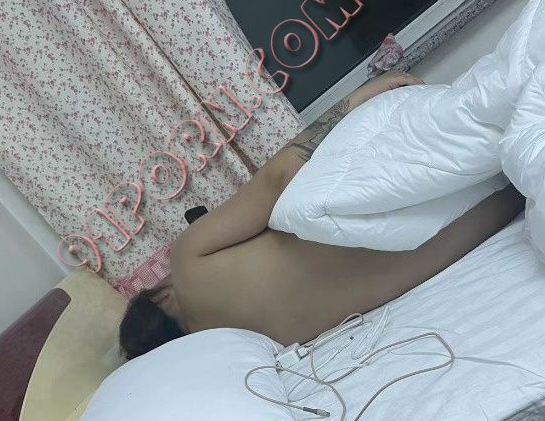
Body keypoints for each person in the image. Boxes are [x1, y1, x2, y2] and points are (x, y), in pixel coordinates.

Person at [120, 72, 524, 359]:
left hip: (474, 221)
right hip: (412, 186)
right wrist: (355, 99)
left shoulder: (258, 350)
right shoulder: (189, 264)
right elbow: (277, 180)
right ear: (161, 295)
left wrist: (510, 200)